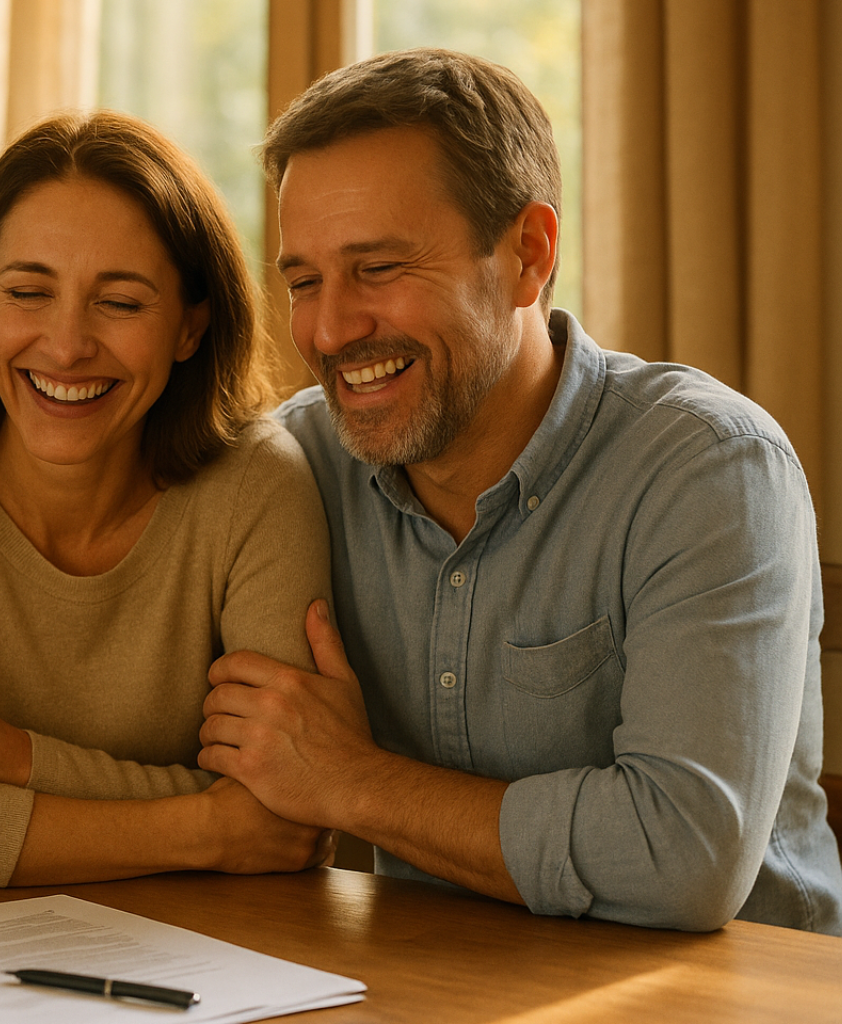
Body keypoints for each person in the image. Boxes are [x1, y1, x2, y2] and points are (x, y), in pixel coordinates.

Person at [200, 47, 842, 934]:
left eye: (379, 268)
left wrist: (353, 782)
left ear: (529, 256)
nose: (331, 328)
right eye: (305, 281)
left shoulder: (711, 468)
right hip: (434, 984)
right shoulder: (295, 464)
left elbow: (683, 858)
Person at [0, 111, 333, 887]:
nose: (65, 345)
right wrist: (210, 827)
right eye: (28, 291)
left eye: (119, 303)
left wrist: (7, 754)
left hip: (211, 967)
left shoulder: (256, 482)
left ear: (190, 325)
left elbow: (288, 815)